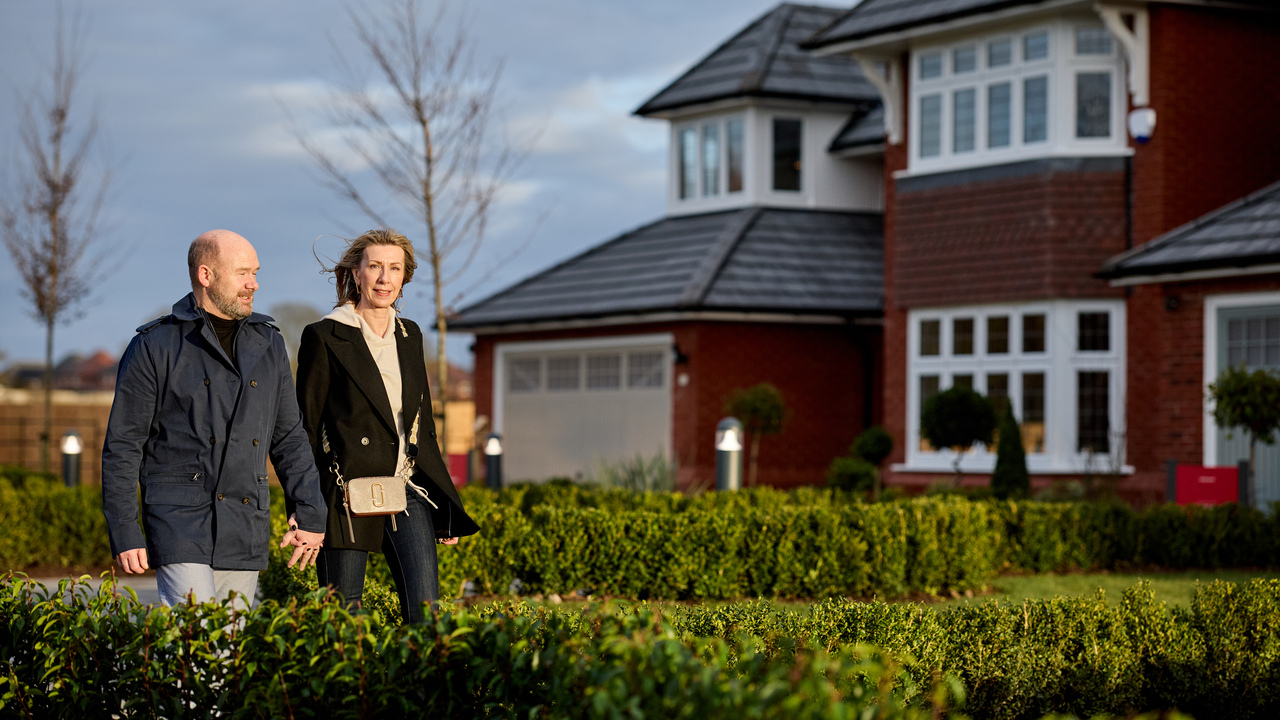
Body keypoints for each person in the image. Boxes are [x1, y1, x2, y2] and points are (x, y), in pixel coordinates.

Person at [101, 229, 327, 608]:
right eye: (242, 273)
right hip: (177, 521)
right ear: (206, 275)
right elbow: (123, 445)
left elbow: (288, 436)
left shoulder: (269, 343)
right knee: (200, 631)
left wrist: (310, 511)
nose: (253, 284)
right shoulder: (155, 345)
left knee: (230, 639)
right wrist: (125, 530)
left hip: (244, 518)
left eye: (255, 273)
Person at [296, 228, 477, 623]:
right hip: (345, 492)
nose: (384, 278)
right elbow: (305, 428)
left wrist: (445, 502)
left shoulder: (410, 335)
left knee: (426, 615)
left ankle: (416, 670)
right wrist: (304, 505)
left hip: (405, 487)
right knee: (342, 619)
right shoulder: (324, 336)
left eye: (394, 268)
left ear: (404, 276)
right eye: (375, 266)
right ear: (356, 273)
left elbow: (422, 426)